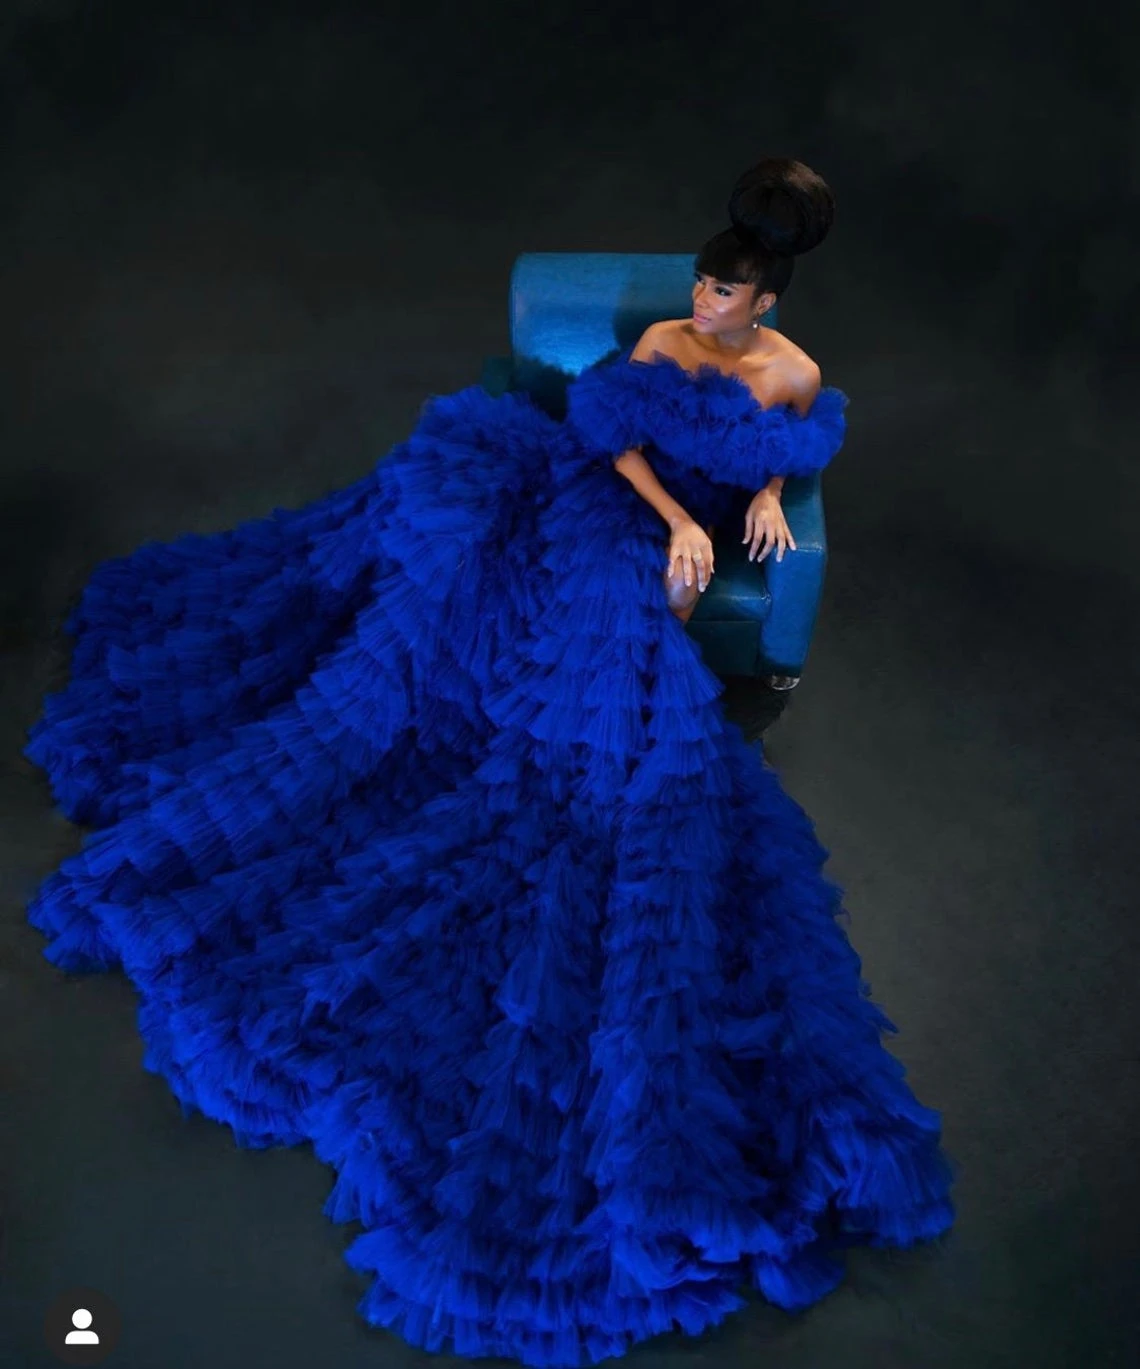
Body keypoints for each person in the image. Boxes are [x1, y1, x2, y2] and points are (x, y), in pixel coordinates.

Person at [23, 156, 955, 1368]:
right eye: (701, 287)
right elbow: (614, 444)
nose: (704, 304)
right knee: (502, 620)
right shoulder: (664, 343)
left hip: (681, 528)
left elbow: (784, 446)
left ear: (766, 304)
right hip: (610, 508)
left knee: (633, 725)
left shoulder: (794, 374)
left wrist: (769, 494)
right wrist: (682, 522)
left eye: (726, 295)